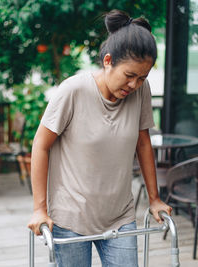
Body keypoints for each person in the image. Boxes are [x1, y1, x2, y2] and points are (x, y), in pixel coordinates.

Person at [28, 9, 172, 267]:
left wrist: (154, 198)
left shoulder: (140, 91)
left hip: (120, 215)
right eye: (129, 76)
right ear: (108, 61)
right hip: (71, 218)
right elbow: (40, 145)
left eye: (142, 78)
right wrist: (40, 208)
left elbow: (143, 143)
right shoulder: (73, 91)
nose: (135, 85)